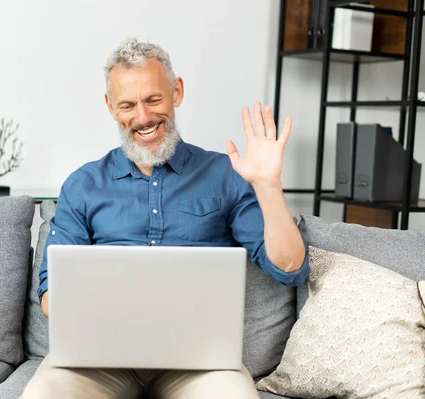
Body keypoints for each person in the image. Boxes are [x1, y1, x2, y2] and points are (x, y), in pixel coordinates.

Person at [21, 37, 309, 399]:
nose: (143, 117)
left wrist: (267, 185)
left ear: (177, 91)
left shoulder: (226, 174)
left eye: (153, 99)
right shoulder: (83, 185)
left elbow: (290, 268)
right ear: (111, 107)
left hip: (199, 365)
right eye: (128, 105)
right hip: (96, 362)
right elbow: (50, 293)